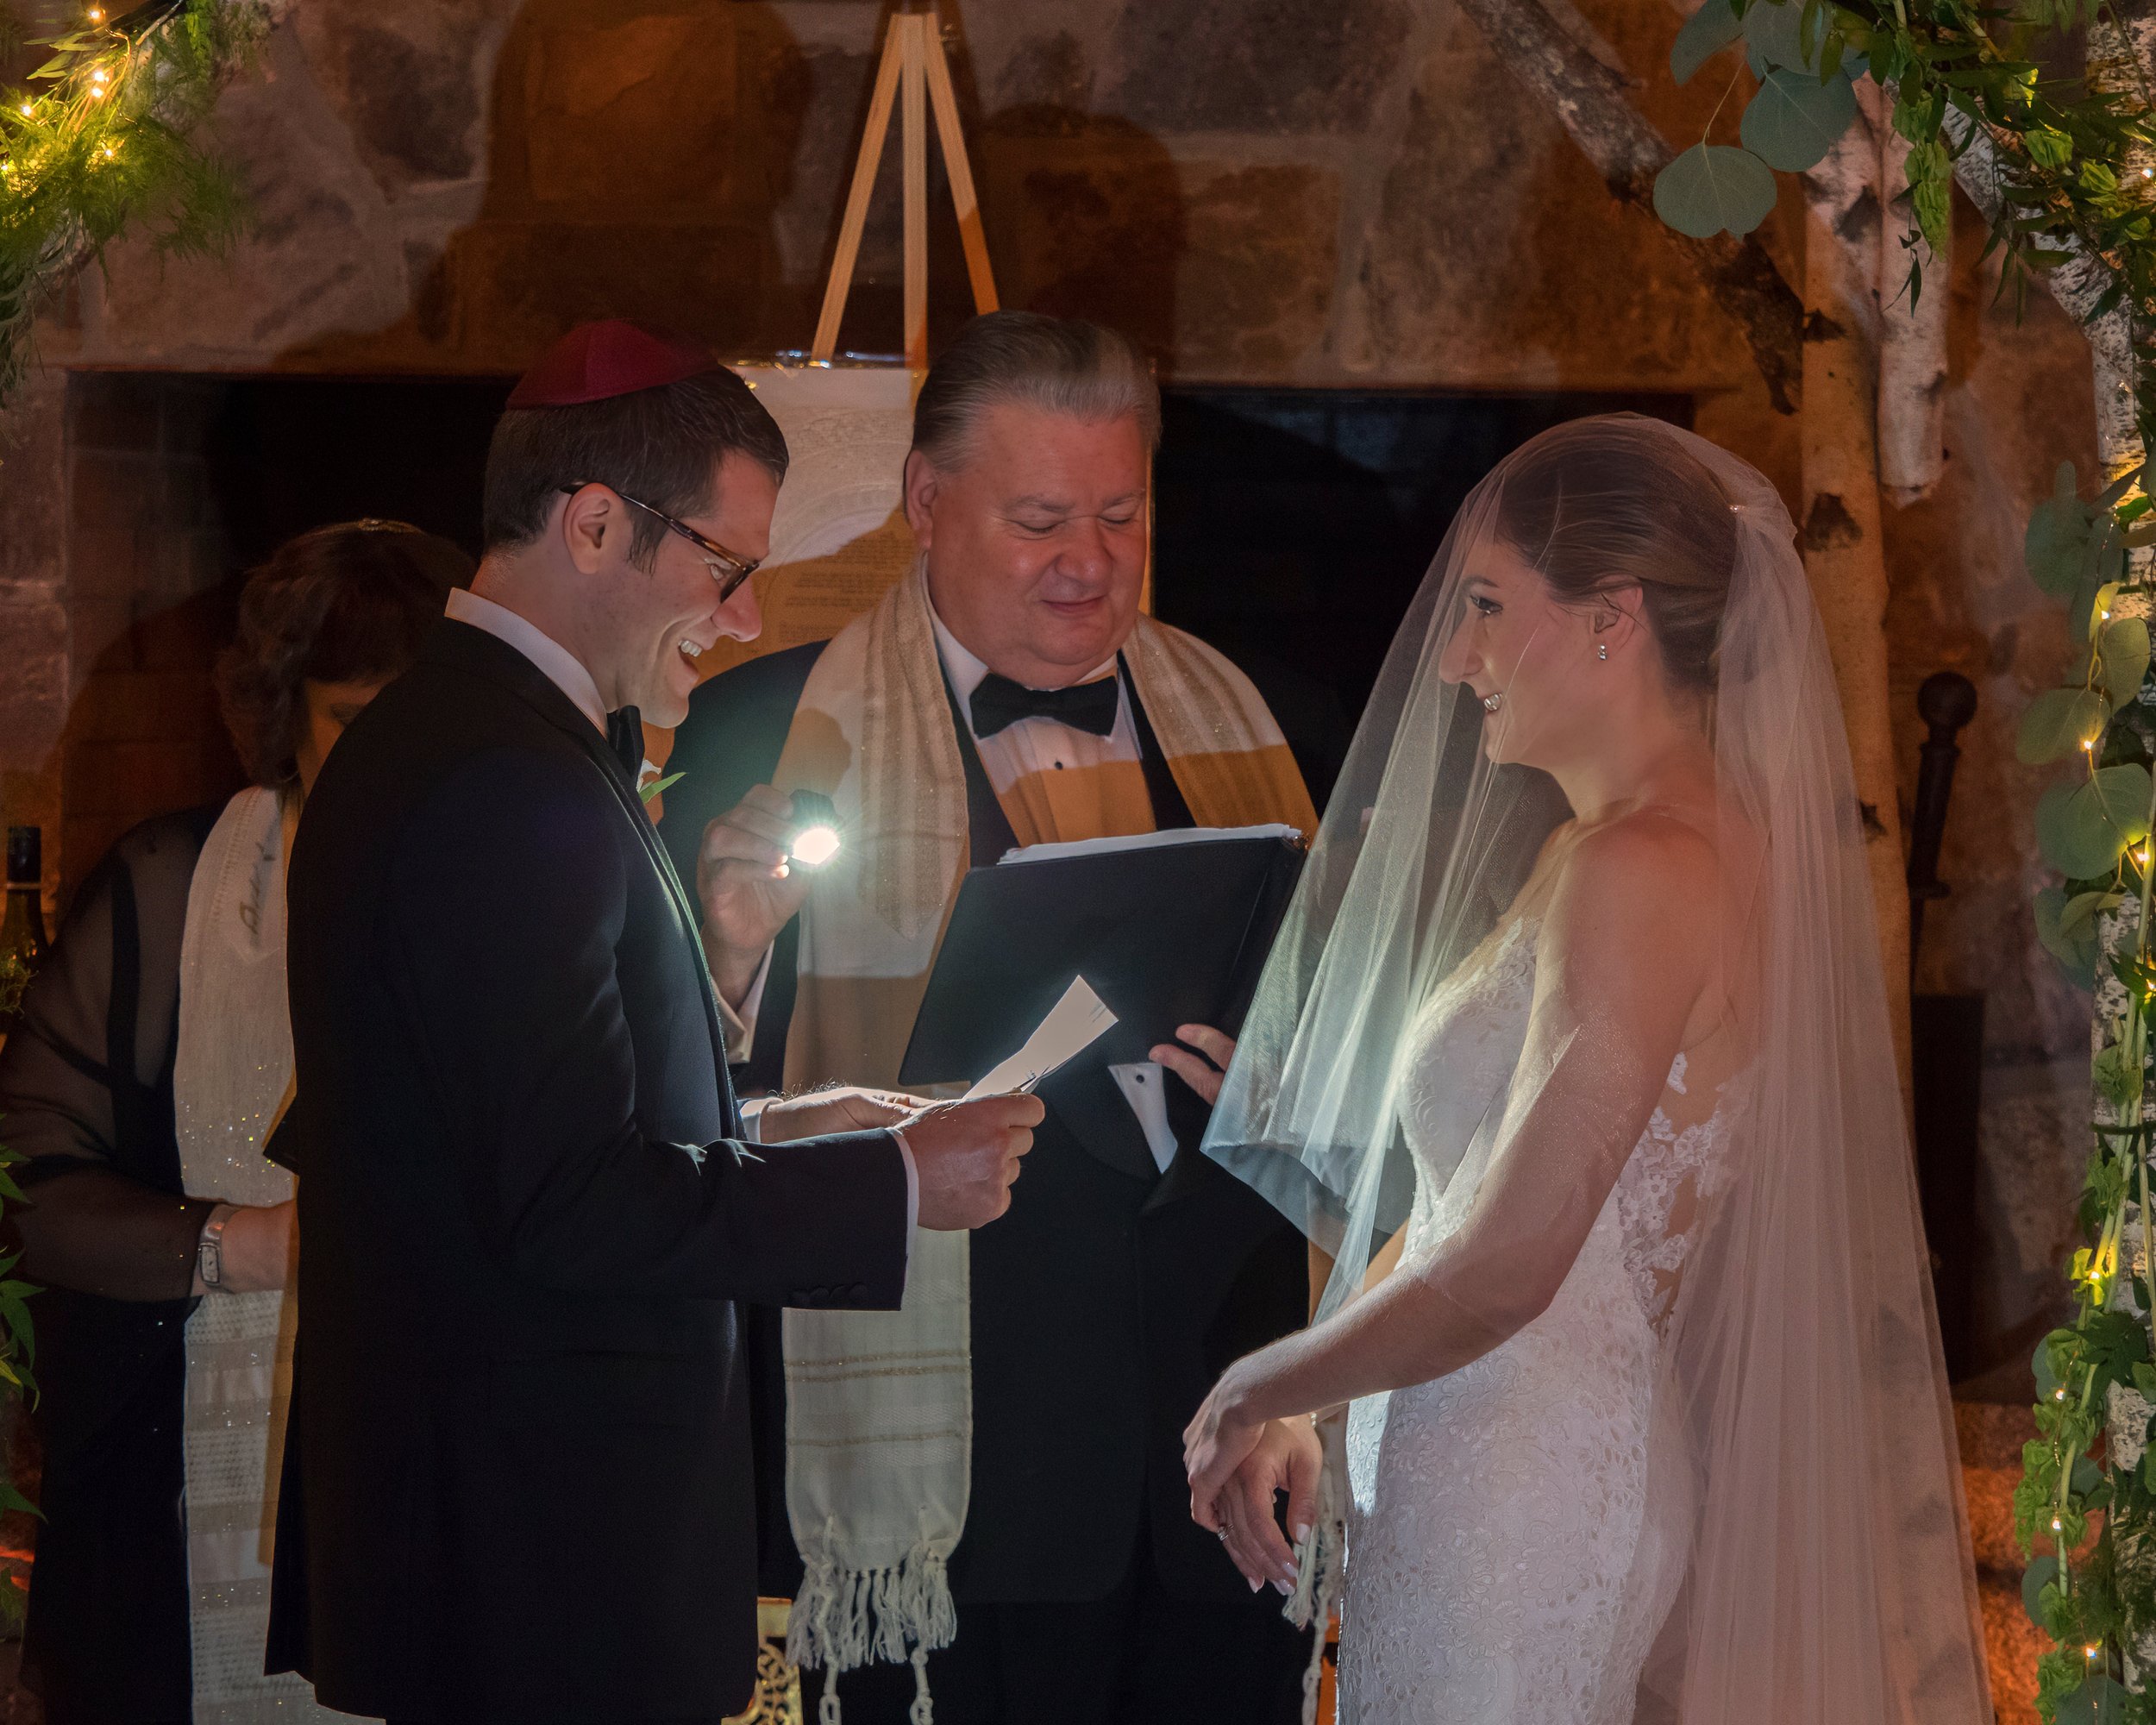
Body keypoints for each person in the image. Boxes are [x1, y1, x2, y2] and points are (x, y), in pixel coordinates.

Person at [260, 321, 1039, 1725]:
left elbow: (514, 1131)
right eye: (727, 570)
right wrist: (896, 1185)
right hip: (537, 1563)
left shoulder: (480, 740)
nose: (745, 618)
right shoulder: (508, 785)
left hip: (520, 1544)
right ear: (598, 522)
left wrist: (784, 1123)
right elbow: (566, 1203)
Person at [1180, 416, 1991, 1722]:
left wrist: (1255, 1384)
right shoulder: (1600, 853)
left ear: (1613, 620)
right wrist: (1324, 1392)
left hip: (1523, 1489)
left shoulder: (1645, 869)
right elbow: (1462, 1208)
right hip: (1482, 1461)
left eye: (1490, 607)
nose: (1456, 657)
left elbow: (1516, 1260)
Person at [660, 310, 1321, 1725]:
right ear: (923, 503)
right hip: (956, 1481)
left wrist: (1275, 1081)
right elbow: (654, 1120)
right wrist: (723, 962)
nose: (1089, 562)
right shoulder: (757, 734)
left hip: (1224, 1449)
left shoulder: (1244, 717)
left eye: (1121, 514)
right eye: (1038, 520)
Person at [0, 519, 471, 1725]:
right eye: (347, 723)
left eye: (415, 727)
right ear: (282, 715)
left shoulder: (508, 891)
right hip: (163, 1500)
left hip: (448, 1478)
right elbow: (24, 1185)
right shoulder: (168, 892)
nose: (384, 766)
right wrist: (241, 1245)